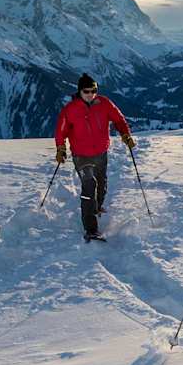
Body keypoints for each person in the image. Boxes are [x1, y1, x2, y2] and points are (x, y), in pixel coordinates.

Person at [55, 73, 135, 241]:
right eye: (86, 91)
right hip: (81, 155)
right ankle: (90, 228)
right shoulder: (70, 109)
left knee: (102, 183)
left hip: (100, 152)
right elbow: (61, 131)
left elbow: (119, 120)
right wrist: (61, 148)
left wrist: (125, 134)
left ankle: (97, 207)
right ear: (79, 91)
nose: (91, 94)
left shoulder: (104, 103)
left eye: (94, 90)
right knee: (89, 184)